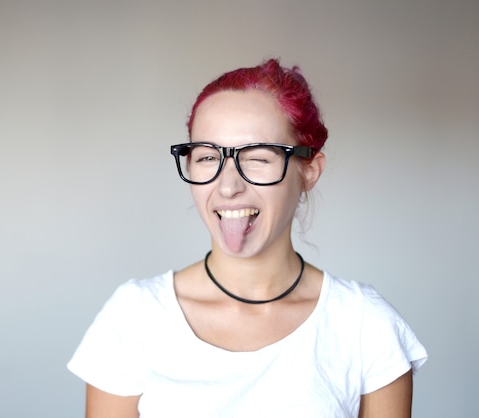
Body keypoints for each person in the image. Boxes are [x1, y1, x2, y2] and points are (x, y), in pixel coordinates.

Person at [68, 59, 428, 418]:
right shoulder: (133, 317)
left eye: (257, 158)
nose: (228, 186)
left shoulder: (364, 325)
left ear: (309, 171)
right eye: (208, 157)